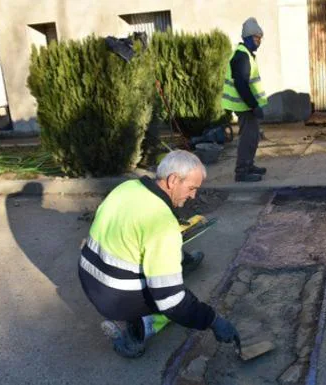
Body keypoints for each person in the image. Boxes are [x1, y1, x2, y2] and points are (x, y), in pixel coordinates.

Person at [78, 150, 239, 358]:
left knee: (158, 254)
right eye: (191, 188)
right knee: (176, 303)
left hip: (89, 276)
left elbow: (131, 235)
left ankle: (180, 262)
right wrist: (213, 321)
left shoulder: (128, 187)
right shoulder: (163, 224)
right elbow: (172, 301)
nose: (193, 196)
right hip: (115, 298)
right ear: (173, 180)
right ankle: (134, 326)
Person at [221, 17, 268, 182]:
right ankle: (242, 171)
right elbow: (241, 84)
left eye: (260, 38)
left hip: (247, 106)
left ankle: (249, 165)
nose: (259, 42)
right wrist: (254, 106)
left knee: (253, 137)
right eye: (256, 38)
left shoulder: (246, 54)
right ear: (248, 38)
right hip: (244, 107)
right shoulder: (242, 56)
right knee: (247, 138)